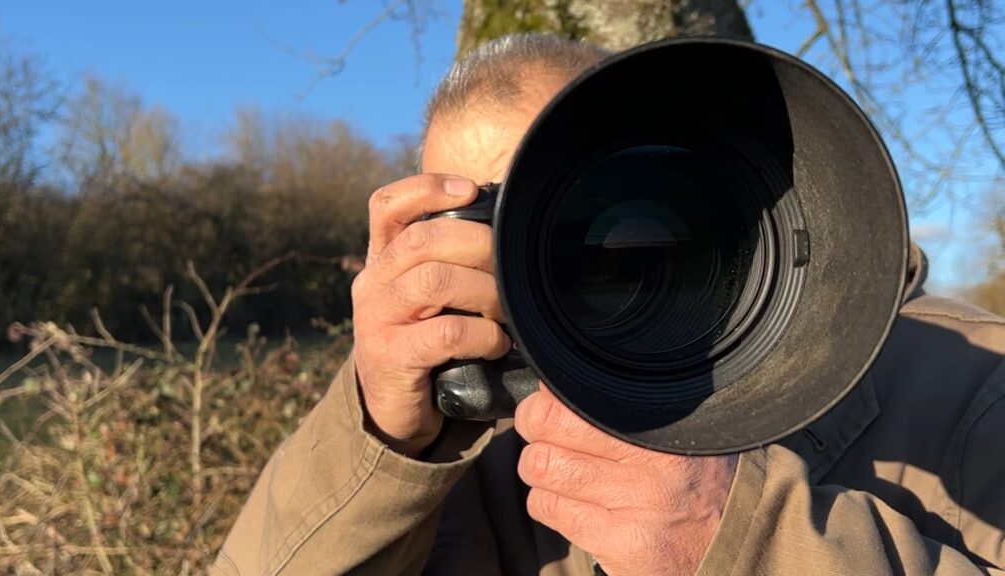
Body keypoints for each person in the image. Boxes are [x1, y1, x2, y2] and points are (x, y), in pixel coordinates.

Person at [211, 34, 1005, 575]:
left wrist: (747, 540)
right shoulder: (469, 442)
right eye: (486, 227)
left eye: (562, 202)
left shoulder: (974, 389)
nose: (544, 265)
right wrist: (379, 438)